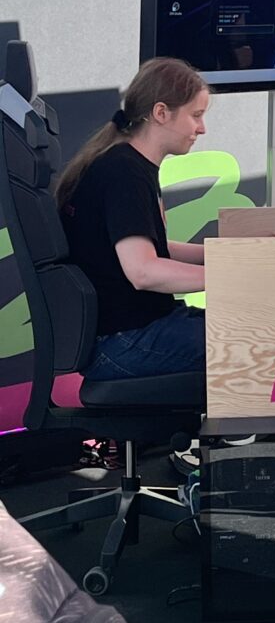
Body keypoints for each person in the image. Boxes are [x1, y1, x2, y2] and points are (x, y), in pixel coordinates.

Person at [56, 57, 209, 381]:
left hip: (137, 330)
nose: (202, 128)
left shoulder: (125, 162)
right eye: (196, 115)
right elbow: (143, 271)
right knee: (256, 341)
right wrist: (230, 275)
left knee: (251, 327)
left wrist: (225, 255)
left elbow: (150, 247)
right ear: (161, 113)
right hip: (124, 342)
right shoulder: (124, 173)